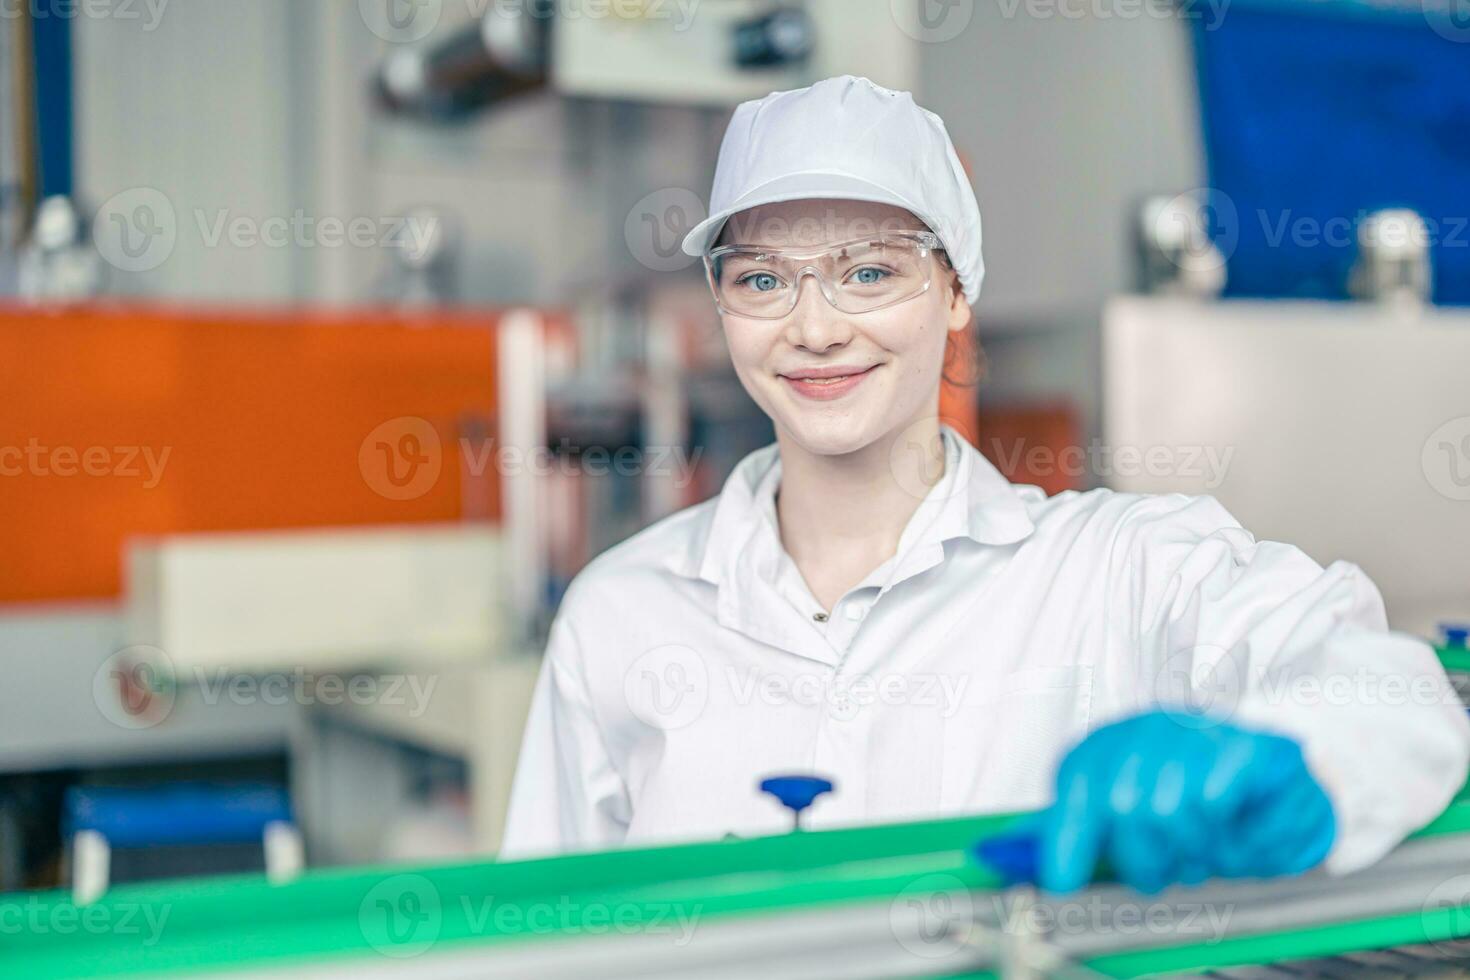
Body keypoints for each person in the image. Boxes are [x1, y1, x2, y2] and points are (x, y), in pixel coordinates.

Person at [501, 75, 1470, 892]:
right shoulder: (624, 609)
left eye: (870, 272)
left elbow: (1386, 686)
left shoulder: (1119, 568)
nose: (815, 327)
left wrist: (1291, 759)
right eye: (761, 280)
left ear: (958, 289)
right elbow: (542, 928)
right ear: (721, 301)